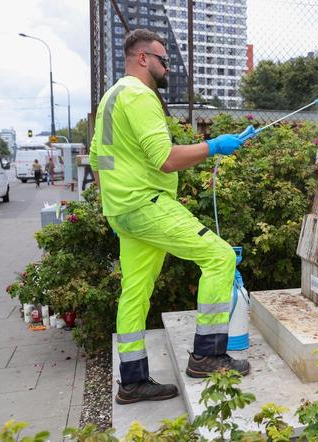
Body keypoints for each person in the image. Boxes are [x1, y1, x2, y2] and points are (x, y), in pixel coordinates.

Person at [89, 29, 255, 405]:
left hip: (123, 209)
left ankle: (132, 382)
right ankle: (207, 355)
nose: (167, 67)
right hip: (147, 204)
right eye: (163, 60)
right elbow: (165, 158)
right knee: (220, 256)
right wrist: (214, 146)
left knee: (135, 293)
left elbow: (99, 160)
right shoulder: (140, 96)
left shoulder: (110, 98)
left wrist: (115, 202)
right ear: (143, 58)